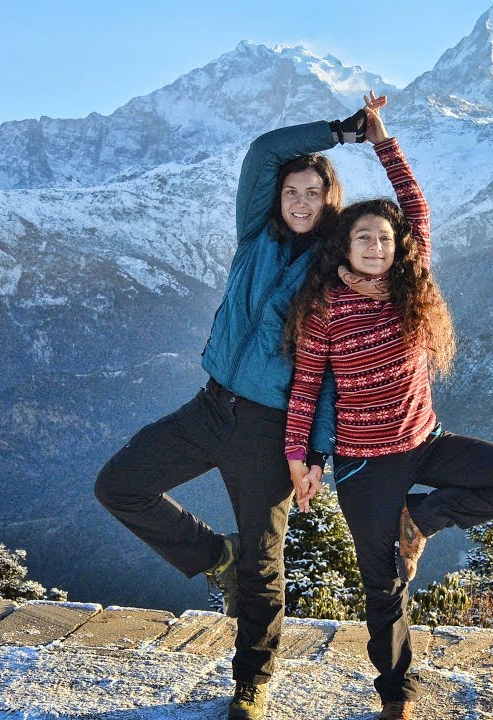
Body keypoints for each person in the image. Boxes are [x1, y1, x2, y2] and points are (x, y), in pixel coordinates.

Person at [95, 110, 372, 720]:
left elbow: (333, 374)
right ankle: (212, 558)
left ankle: (253, 683)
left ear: (331, 199)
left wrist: (314, 454)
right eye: (292, 191)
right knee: (119, 485)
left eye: (313, 192)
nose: (300, 201)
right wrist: (342, 131)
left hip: (272, 429)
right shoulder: (257, 235)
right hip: (211, 405)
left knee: (264, 560)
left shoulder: (336, 270)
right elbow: (264, 151)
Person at [283, 93, 493, 720]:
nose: (374, 245)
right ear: (343, 246)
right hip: (363, 463)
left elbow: (418, 207)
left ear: (397, 245)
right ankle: (396, 695)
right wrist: (301, 456)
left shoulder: (412, 283)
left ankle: (421, 520)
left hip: (424, 442)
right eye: (362, 237)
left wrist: (383, 139)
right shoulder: (324, 307)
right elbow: (306, 388)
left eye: (383, 237)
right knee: (384, 585)